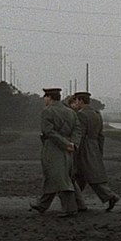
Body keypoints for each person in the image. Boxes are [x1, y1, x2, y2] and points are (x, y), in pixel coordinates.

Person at [29, 88, 81, 218]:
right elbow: (77, 129)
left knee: (59, 177)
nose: (44, 100)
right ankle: (42, 205)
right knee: (55, 176)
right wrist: (73, 144)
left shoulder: (47, 111)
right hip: (69, 148)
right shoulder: (71, 112)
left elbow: (48, 131)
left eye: (45, 97)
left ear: (49, 97)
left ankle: (70, 209)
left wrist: (64, 143)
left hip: (53, 147)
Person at [69, 91, 120, 211]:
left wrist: (74, 149)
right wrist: (99, 149)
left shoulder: (81, 115)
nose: (76, 103)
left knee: (87, 175)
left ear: (80, 101)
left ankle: (110, 196)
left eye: (76, 100)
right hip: (94, 145)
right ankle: (77, 202)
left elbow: (80, 134)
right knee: (82, 175)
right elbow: (101, 135)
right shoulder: (97, 114)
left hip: (84, 147)